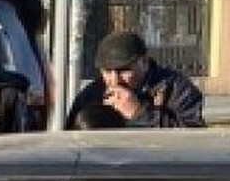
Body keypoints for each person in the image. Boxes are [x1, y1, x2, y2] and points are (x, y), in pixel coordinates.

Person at [67, 30, 204, 128]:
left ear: (144, 62)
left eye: (123, 71)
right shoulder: (91, 94)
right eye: (107, 71)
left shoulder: (176, 89)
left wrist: (139, 113)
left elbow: (193, 139)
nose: (115, 81)